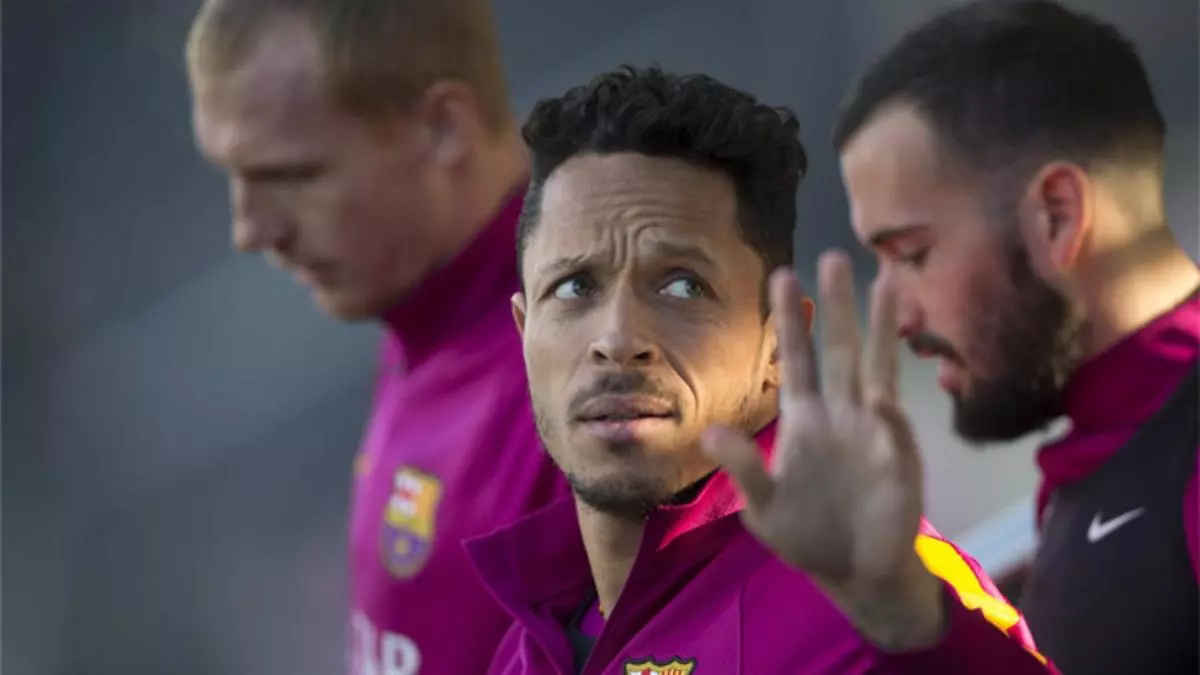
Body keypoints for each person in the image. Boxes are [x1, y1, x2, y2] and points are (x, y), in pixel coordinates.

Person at [467, 64, 1040, 675]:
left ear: (778, 343)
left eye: (683, 286)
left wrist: (907, 622)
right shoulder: (525, 647)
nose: (618, 339)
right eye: (574, 286)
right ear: (525, 332)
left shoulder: (879, 603)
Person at [708, 2, 1197, 674]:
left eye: (913, 254)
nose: (897, 315)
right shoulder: (1106, 459)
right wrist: (904, 612)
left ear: (1056, 215)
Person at [185, 1, 569, 674]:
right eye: (233, 175)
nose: (250, 231)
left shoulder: (589, 381)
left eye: (292, 175)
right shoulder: (417, 306)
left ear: (444, 128)